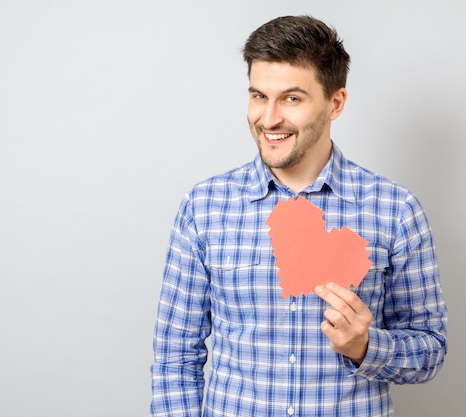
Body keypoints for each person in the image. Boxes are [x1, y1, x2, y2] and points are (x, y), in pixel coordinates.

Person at [150, 15, 447, 417]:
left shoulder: (395, 211)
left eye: (292, 98)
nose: (269, 119)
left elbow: (430, 348)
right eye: (258, 96)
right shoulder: (204, 208)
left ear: (335, 102)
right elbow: (174, 360)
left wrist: (365, 347)